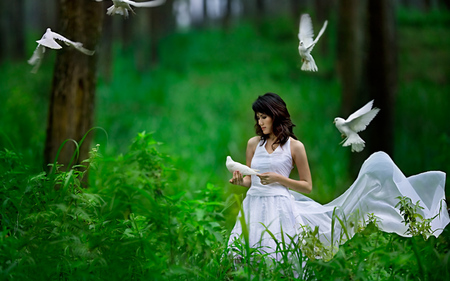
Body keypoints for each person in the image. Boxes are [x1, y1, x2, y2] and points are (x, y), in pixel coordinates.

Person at [228, 92, 449, 261]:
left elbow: (306, 186)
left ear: (276, 115)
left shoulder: (295, 147)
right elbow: (250, 180)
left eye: (264, 117)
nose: (260, 122)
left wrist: (279, 179)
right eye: (257, 118)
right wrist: (241, 180)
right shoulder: (253, 144)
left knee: (277, 258)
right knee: (242, 257)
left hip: (280, 208)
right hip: (253, 205)